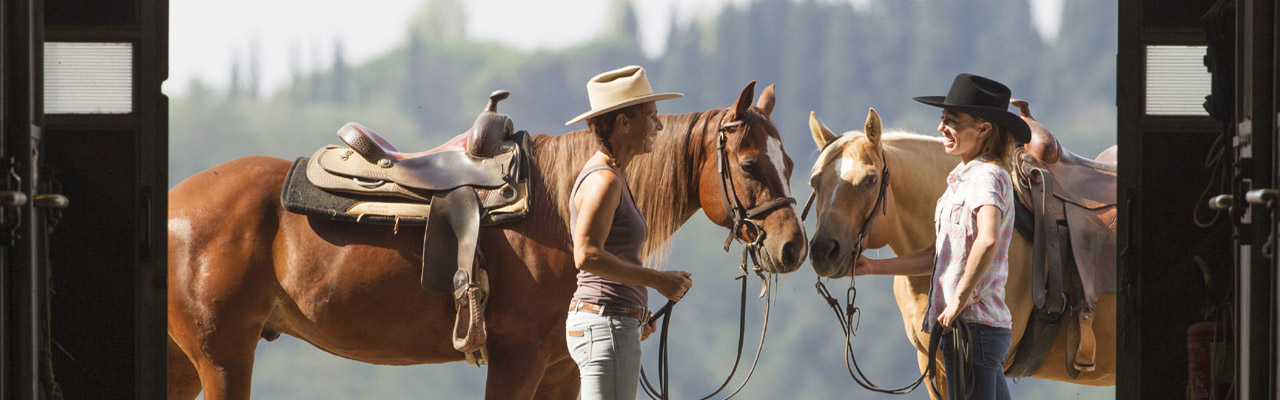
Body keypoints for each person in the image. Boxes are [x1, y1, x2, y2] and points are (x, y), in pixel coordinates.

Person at [852, 73, 1031, 400]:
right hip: (971, 328)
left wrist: (957, 301)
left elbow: (987, 239)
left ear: (982, 129)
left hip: (972, 327)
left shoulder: (988, 178)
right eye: (942, 119)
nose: (941, 128)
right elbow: (939, 256)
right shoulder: (961, 181)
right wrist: (873, 267)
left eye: (952, 121)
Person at [563, 65, 695, 400]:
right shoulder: (605, 180)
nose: (659, 125)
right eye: (650, 116)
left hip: (610, 322)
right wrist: (656, 280)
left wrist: (636, 309)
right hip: (605, 326)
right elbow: (587, 254)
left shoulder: (611, 176)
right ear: (623, 123)